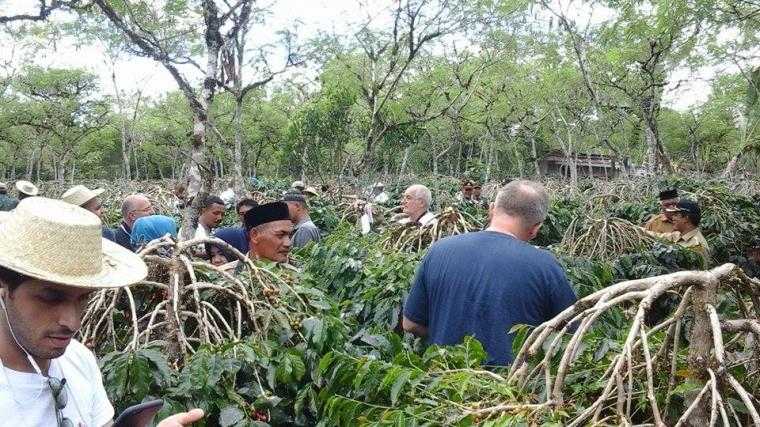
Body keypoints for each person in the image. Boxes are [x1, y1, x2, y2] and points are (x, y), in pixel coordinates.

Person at [0, 197, 204, 426]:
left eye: (83, 298)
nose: (73, 322)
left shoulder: (78, 359)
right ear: (4, 288)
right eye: (51, 297)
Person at [402, 180, 577, 366]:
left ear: (491, 209)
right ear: (536, 228)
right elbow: (571, 335)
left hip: (441, 384)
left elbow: (410, 324)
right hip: (510, 390)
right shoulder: (546, 266)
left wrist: (447, 330)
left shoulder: (439, 250)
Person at [645, 199, 711, 267]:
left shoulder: (697, 246)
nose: (672, 218)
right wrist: (635, 229)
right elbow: (655, 236)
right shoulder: (678, 235)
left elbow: (698, 274)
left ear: (686, 218)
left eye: (676, 215)